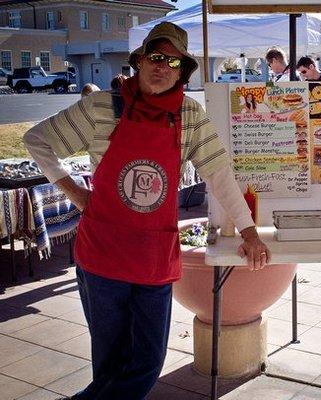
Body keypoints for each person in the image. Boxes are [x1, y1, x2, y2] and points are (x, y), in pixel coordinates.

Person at [24, 21, 270, 400]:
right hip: (102, 256)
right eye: (156, 57)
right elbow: (36, 140)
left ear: (182, 72)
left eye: (173, 63)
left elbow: (220, 175)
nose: (162, 67)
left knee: (147, 362)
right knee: (110, 363)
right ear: (140, 61)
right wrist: (73, 192)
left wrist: (249, 232)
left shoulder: (190, 116)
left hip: (153, 258)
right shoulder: (101, 106)